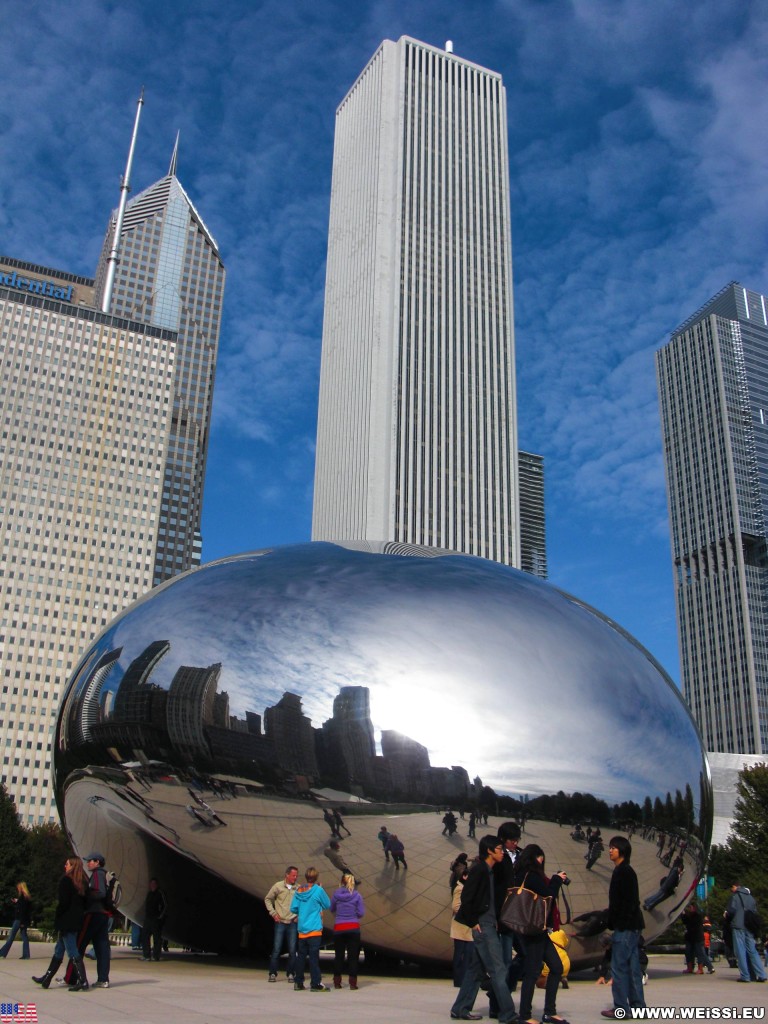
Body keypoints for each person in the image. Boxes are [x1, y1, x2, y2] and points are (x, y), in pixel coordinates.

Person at [450, 834, 518, 1023]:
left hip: (489, 924)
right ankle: (508, 1014)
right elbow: (467, 897)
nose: (502, 853)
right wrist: (473, 922)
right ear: (489, 851)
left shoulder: (489, 870)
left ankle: (460, 1008)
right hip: (483, 926)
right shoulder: (479, 870)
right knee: (498, 969)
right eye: (499, 849)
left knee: (476, 970)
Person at [512, 843, 569, 1024]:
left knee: (557, 967)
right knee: (532, 972)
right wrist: (556, 880)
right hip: (534, 931)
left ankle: (549, 1012)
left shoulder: (521, 874)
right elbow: (549, 896)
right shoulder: (532, 876)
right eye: (539, 858)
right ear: (534, 858)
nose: (541, 861)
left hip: (537, 930)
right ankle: (525, 1015)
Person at [601, 836, 646, 1019]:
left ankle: (621, 1008)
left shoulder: (624, 872)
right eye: (610, 847)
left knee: (619, 968)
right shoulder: (624, 871)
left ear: (622, 851)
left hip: (626, 928)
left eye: (613, 848)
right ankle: (638, 1008)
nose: (610, 850)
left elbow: (628, 902)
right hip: (632, 926)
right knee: (632, 969)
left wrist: (617, 922)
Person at [32, 856, 87, 991]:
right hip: (75, 921)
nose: (65, 866)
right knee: (59, 950)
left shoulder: (66, 881)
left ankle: (83, 981)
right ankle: (47, 977)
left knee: (72, 950)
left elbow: (63, 902)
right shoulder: (82, 883)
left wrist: (58, 915)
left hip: (66, 921)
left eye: (67, 864)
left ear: (73, 866)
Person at [290, 866, 331, 992]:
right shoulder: (318, 890)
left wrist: (302, 910)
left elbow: (293, 908)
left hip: (302, 929)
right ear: (316, 877)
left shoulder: (299, 891)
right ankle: (315, 983)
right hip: (314, 928)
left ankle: (298, 982)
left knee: (301, 957)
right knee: (314, 957)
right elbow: (327, 904)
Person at [77, 851, 112, 989]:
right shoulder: (104, 874)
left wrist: (86, 894)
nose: (88, 863)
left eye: (90, 861)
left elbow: (100, 893)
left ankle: (75, 976)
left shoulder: (97, 874)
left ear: (97, 862)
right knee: (102, 948)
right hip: (103, 914)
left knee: (79, 944)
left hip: (94, 913)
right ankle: (103, 979)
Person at [724, 882, 767, 983]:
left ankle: (745, 976)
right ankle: (761, 974)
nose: (732, 889)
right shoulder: (751, 897)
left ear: (736, 887)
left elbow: (731, 911)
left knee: (740, 951)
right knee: (752, 951)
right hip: (749, 926)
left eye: (733, 887)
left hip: (738, 926)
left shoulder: (734, 897)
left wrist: (726, 915)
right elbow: (754, 911)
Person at [330, 872, 365, 989]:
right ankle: (353, 983)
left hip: (339, 927)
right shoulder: (357, 896)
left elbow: (332, 908)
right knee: (353, 957)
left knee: (338, 956)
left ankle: (337, 981)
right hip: (353, 927)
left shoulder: (336, 894)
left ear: (342, 882)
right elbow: (361, 913)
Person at [264, 865, 299, 982]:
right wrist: (273, 913)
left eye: (296, 876)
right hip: (280, 922)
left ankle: (290, 973)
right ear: (287, 875)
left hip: (292, 922)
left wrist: (298, 915)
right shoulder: (278, 886)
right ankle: (273, 973)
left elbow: (302, 902)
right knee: (277, 948)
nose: (295, 878)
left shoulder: (298, 888)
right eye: (293, 875)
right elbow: (268, 899)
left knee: (292, 950)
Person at [450, 862, 473, 988]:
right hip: (461, 925)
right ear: (464, 876)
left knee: (467, 953)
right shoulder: (459, 888)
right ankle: (459, 979)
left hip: (466, 926)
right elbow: (456, 907)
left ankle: (463, 979)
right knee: (461, 954)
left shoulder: (466, 888)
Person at [0, 882, 32, 960]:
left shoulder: (23, 897)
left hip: (19, 920)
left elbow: (22, 911)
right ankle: (26, 955)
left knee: (11, 937)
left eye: (18, 888)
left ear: (21, 888)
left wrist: (21, 922)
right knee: (24, 937)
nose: (17, 889)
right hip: (23, 920)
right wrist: (17, 902)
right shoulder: (26, 897)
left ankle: (2, 953)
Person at [681, 902, 714, 975]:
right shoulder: (690, 915)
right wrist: (683, 915)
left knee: (699, 953)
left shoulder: (697, 916)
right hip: (691, 937)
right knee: (689, 953)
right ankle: (690, 968)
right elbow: (685, 922)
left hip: (697, 937)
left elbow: (690, 923)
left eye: (691, 907)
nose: (689, 909)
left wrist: (684, 915)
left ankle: (701, 968)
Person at [141, 878, 168, 962]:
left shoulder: (160, 893)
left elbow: (165, 905)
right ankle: (146, 955)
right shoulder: (149, 893)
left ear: (156, 884)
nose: (152, 885)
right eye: (151, 884)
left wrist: (160, 917)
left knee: (157, 938)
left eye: (154, 884)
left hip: (156, 919)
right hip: (148, 919)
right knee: (145, 936)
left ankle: (156, 956)